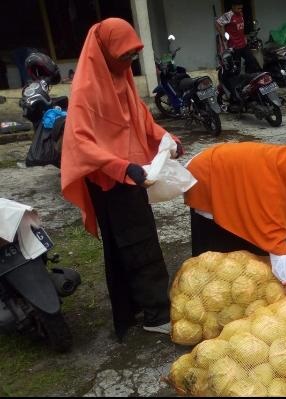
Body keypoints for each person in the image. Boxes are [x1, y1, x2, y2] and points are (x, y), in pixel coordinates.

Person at [60, 18, 184, 340]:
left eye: (133, 56)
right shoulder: (87, 89)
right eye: (124, 56)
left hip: (129, 174)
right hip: (109, 178)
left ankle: (130, 311)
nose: (129, 63)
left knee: (124, 245)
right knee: (139, 244)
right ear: (104, 52)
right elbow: (80, 142)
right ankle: (157, 313)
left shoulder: (122, 78)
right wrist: (120, 166)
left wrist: (166, 139)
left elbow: (142, 121)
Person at [184, 142, 286, 293]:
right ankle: (202, 285)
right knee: (217, 246)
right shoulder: (271, 185)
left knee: (239, 231)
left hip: (222, 169)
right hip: (206, 176)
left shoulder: (283, 164)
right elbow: (272, 233)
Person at [215, 0, 260, 73]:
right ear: (233, 7)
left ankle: (249, 78)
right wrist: (223, 35)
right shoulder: (228, 15)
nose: (240, 10)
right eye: (238, 8)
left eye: (241, 8)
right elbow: (217, 24)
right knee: (236, 68)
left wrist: (245, 37)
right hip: (234, 47)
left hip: (243, 44)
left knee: (252, 62)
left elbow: (240, 28)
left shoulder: (241, 14)